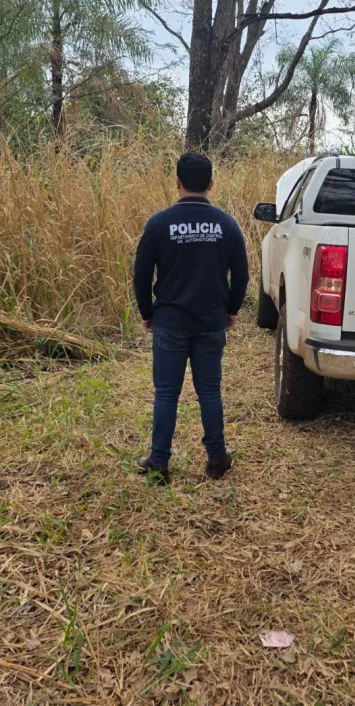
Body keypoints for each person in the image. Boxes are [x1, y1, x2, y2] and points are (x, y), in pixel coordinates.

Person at [132, 152, 250, 485]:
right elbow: (241, 274)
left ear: (177, 182)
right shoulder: (226, 225)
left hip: (169, 321)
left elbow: (141, 274)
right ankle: (217, 459)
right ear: (211, 184)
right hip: (210, 321)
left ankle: (158, 461)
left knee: (166, 393)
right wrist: (231, 310)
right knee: (209, 392)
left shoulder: (159, 224)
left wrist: (147, 313)